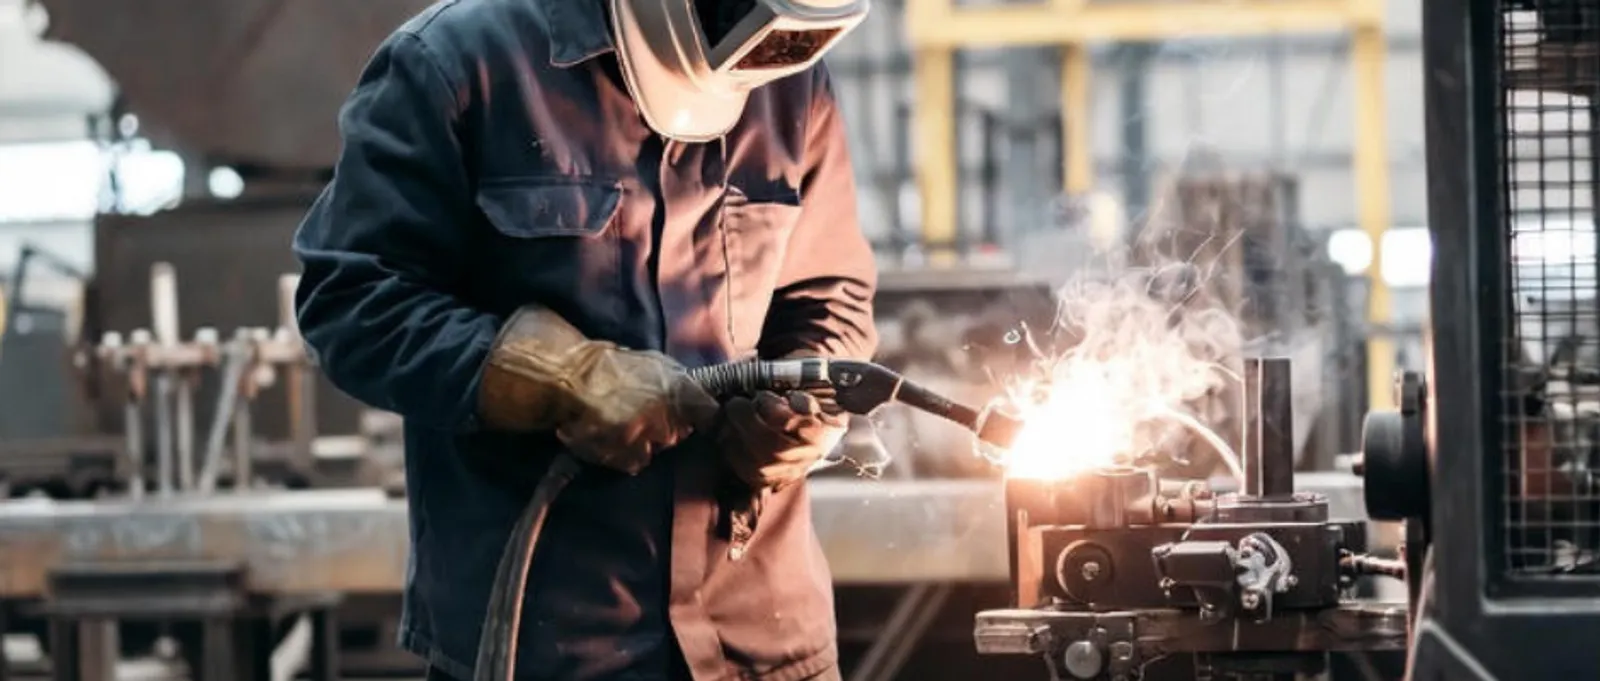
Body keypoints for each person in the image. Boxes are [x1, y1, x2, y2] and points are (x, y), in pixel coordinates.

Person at [292, 0, 877, 678]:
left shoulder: (790, 77)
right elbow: (352, 298)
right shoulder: (457, 64)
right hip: (546, 641)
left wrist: (804, 409)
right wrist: (559, 377)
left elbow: (830, 295)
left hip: (763, 640)